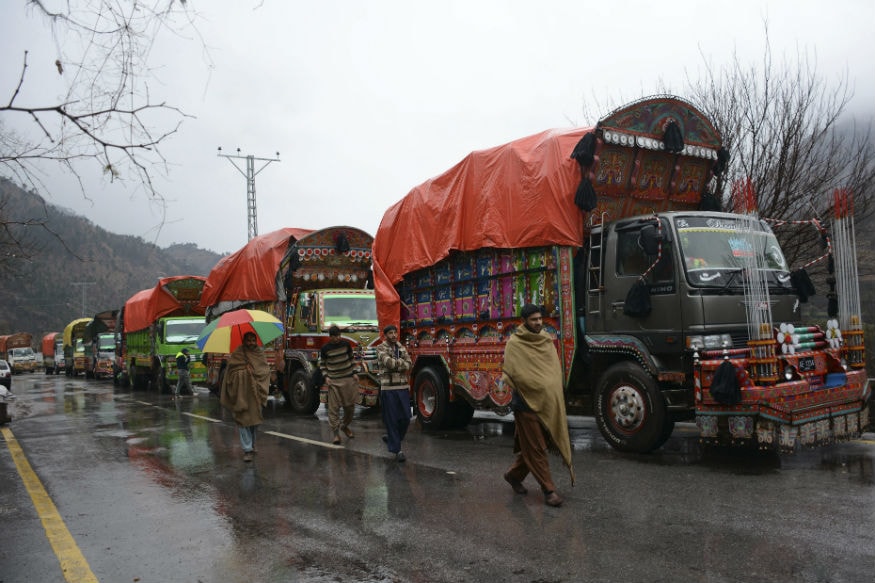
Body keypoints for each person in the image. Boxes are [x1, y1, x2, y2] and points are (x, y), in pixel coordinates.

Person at [501, 304, 575, 507]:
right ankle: (549, 490)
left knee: (534, 446)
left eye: (540, 318)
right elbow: (515, 374)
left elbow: (553, 371)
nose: (539, 322)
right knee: (537, 448)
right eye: (533, 319)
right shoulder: (515, 343)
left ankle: (513, 475)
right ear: (524, 321)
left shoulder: (545, 340)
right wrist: (536, 386)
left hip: (547, 405)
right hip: (525, 405)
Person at [220, 332, 270, 462]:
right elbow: (230, 374)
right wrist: (243, 370)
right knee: (243, 422)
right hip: (241, 394)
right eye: (249, 340)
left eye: (253, 340)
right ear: (244, 341)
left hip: (256, 394)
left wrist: (253, 371)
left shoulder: (259, 353)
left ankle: (252, 444)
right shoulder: (238, 353)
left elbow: (265, 371)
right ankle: (247, 450)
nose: (251, 343)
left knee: (254, 422)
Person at [376, 324, 412, 462]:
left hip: (402, 387)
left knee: (406, 417)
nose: (393, 335)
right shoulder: (380, 348)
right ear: (385, 335)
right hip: (388, 388)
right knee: (391, 419)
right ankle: (398, 450)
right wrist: (401, 363)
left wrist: (400, 363)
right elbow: (388, 363)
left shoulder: (401, 347)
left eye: (395, 333)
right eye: (390, 333)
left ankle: (392, 438)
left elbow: (409, 363)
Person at [320, 325, 359, 445]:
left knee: (350, 408)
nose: (337, 338)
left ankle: (345, 425)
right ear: (330, 337)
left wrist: (354, 373)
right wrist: (326, 377)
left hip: (348, 379)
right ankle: (336, 434)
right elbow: (322, 364)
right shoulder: (325, 348)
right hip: (334, 381)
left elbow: (352, 359)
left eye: (338, 336)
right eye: (334, 336)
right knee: (333, 409)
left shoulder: (346, 345)